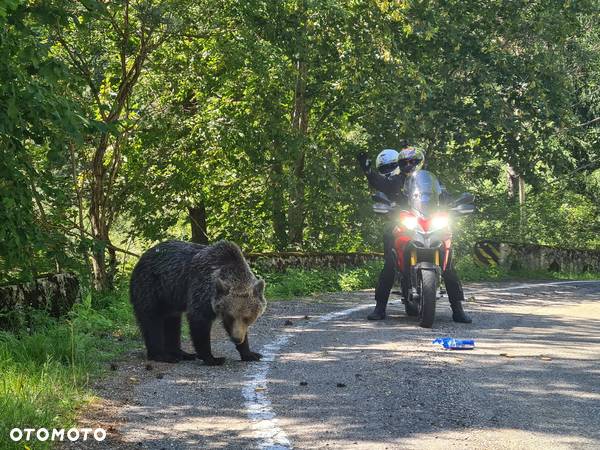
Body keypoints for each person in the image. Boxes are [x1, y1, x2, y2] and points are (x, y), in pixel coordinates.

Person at [357, 146, 472, 323]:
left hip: (431, 221)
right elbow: (379, 184)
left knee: (448, 264)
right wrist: (368, 171)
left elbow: (446, 197)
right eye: (405, 162)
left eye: (413, 161)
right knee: (390, 263)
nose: (409, 165)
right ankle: (380, 308)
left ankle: (458, 309)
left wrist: (455, 206)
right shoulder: (395, 181)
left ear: (420, 162)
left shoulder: (434, 182)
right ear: (400, 165)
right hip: (404, 222)